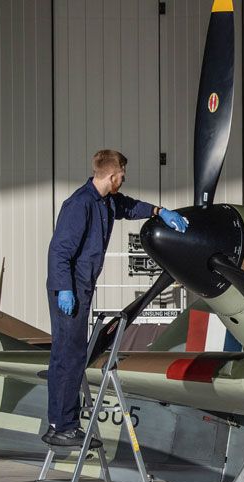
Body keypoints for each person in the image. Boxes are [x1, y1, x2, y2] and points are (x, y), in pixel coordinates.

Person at [42, 150, 188, 447]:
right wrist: (64, 289)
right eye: (123, 174)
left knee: (67, 356)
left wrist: (160, 212)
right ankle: (64, 426)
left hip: (80, 287)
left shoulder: (106, 201)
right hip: (69, 288)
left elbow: (130, 207)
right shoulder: (79, 205)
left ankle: (59, 423)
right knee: (69, 358)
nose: (125, 178)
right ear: (112, 174)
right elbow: (59, 251)